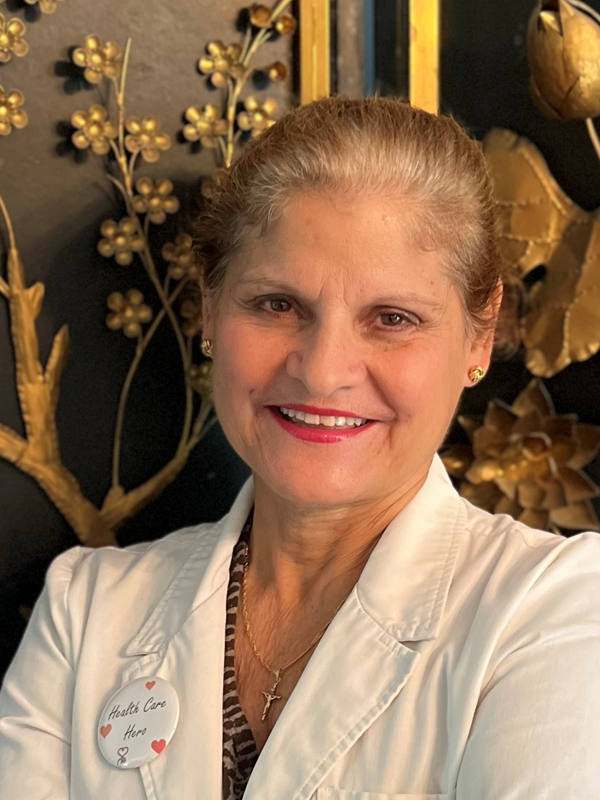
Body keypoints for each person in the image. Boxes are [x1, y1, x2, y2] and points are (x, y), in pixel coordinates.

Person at [0, 96, 599, 801]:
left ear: (478, 333)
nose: (321, 370)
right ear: (212, 309)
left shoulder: (553, 609)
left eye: (392, 318)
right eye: (278, 305)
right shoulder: (86, 611)